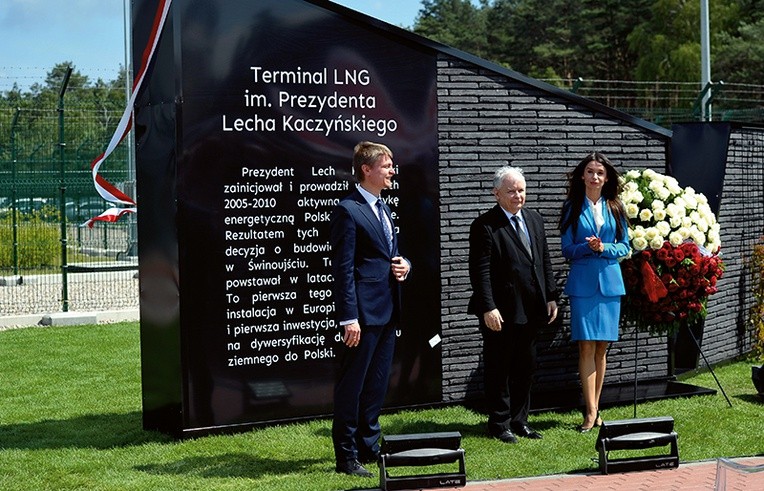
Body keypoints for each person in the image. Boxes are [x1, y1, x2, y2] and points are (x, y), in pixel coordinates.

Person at [329, 141, 411, 477]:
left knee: (376, 385)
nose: (393, 171)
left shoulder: (384, 208)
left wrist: (405, 265)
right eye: (387, 166)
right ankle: (346, 457)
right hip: (361, 317)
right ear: (367, 169)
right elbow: (343, 268)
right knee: (352, 387)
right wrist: (350, 318)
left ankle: (369, 447)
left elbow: (389, 255)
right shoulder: (348, 210)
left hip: (388, 311)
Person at [468, 166, 558, 443]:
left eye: (521, 190)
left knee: (526, 367)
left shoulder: (534, 219)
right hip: (501, 310)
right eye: (511, 191)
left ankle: (520, 422)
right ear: (496, 194)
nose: (518, 196)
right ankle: (499, 423)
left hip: (532, 308)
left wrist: (551, 295)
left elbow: (543, 259)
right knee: (499, 368)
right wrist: (488, 307)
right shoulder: (485, 225)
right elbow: (479, 271)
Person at [559, 152, 631, 432]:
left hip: (610, 284)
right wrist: (586, 248)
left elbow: (625, 246)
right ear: (582, 176)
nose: (595, 177)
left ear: (606, 177)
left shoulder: (615, 207)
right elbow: (566, 249)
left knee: (602, 349)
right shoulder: (571, 207)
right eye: (590, 171)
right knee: (586, 346)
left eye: (599, 172)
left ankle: (596, 408)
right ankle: (589, 413)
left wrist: (605, 249)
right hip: (583, 284)